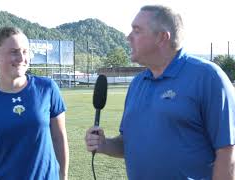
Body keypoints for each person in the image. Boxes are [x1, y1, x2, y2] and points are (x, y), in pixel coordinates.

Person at [85, 5, 235, 180]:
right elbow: (129, 143)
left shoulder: (207, 77)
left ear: (162, 37)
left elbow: (227, 152)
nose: (128, 37)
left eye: (137, 30)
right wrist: (105, 144)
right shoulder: (137, 83)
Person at [0, 27, 69, 180]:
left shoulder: (47, 88)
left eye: (25, 51)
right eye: (14, 52)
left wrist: (63, 176)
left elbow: (59, 139)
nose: (21, 58)